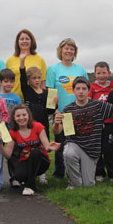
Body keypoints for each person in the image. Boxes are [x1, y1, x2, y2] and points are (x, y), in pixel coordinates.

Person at [52, 77, 113, 188]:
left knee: (88, 185)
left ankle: (83, 180)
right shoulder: (68, 109)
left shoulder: (98, 106)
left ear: (88, 90)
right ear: (73, 91)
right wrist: (56, 124)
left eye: (84, 89)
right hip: (75, 144)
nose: (81, 91)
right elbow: (58, 131)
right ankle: (73, 183)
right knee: (68, 153)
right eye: (78, 89)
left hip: (91, 150)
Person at [46, 38, 88, 179]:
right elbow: (50, 91)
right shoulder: (53, 69)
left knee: (79, 145)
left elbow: (87, 90)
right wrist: (53, 111)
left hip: (79, 113)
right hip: (62, 114)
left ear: (74, 52)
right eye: (66, 48)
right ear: (61, 51)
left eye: (72, 48)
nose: (69, 51)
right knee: (62, 145)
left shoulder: (80, 69)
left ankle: (79, 173)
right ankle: (59, 174)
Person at [0, 105, 60, 195]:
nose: (21, 118)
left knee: (35, 152)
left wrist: (50, 147)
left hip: (41, 162)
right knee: (18, 176)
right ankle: (29, 182)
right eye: (18, 116)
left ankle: (30, 186)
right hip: (25, 162)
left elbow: (47, 147)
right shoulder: (12, 132)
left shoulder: (38, 126)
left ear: (28, 116)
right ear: (14, 118)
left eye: (24, 115)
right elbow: (8, 155)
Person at [20, 54, 58, 184]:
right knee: (30, 149)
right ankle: (30, 174)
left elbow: (50, 111)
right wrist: (22, 61)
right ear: (29, 80)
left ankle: (42, 175)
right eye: (34, 78)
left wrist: (55, 104)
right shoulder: (27, 91)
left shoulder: (46, 93)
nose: (36, 80)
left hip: (43, 126)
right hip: (30, 126)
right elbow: (21, 77)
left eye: (38, 78)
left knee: (42, 148)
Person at [88, 61, 113, 182]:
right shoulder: (92, 87)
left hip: (110, 122)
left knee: (109, 149)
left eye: (104, 73)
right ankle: (99, 173)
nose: (101, 76)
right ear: (95, 74)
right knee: (97, 149)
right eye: (99, 73)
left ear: (109, 73)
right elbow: (88, 100)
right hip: (96, 123)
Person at [6, 29, 47, 102]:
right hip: (14, 100)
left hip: (34, 101)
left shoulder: (40, 60)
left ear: (31, 41)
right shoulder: (10, 60)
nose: (24, 41)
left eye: (27, 39)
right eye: (22, 39)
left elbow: (42, 84)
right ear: (17, 42)